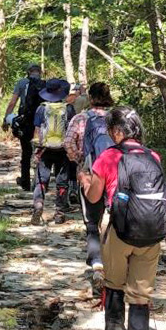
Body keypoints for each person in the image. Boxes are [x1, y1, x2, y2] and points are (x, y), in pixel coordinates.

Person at [78, 106, 166, 330]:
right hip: (151, 232)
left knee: (114, 285)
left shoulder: (108, 157)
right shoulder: (153, 156)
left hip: (118, 229)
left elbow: (94, 198)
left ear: (117, 132)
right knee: (141, 295)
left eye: (110, 130)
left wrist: (84, 179)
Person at [64, 82, 115, 276]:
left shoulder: (81, 118)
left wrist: (79, 159)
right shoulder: (116, 118)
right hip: (116, 173)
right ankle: (115, 258)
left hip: (90, 172)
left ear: (91, 98)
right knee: (115, 215)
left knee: (92, 222)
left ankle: (96, 261)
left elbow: (68, 143)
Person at [30, 78, 74, 225]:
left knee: (41, 179)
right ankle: (59, 212)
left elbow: (37, 131)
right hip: (63, 149)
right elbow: (72, 131)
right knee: (62, 181)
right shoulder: (69, 108)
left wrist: (37, 149)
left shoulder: (42, 108)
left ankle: (38, 204)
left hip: (45, 148)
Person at [1, 63, 44, 191]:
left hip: (25, 121)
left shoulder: (22, 83)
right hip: (41, 122)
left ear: (28, 72)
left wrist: (6, 118)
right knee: (41, 152)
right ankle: (40, 183)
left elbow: (13, 102)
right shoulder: (44, 84)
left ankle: (25, 181)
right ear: (39, 72)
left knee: (26, 153)